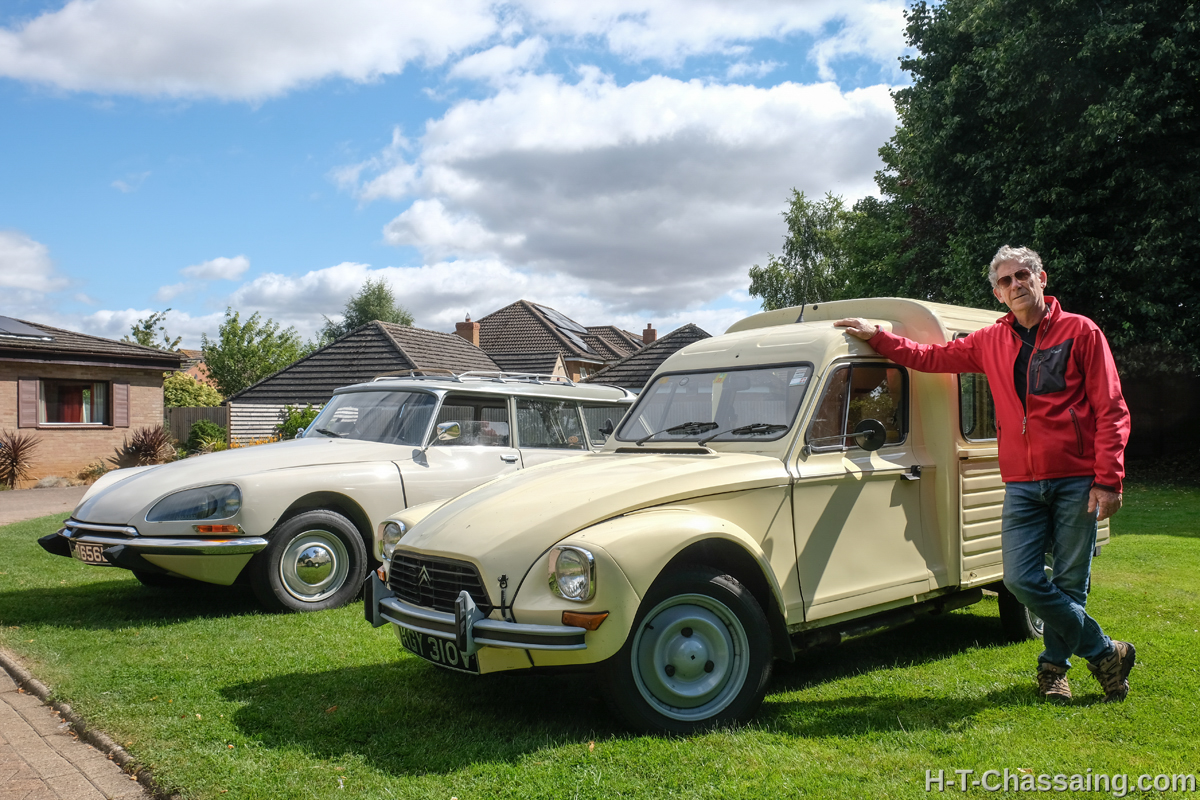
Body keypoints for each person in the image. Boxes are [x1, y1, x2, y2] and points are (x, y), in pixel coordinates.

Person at [835, 245, 1134, 702]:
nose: (1015, 285)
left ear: (1041, 279)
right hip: (1022, 482)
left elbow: (1111, 408)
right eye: (1005, 281)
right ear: (998, 293)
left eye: (1023, 275)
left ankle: (1053, 670)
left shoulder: (1081, 332)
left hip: (1077, 478)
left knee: (1070, 582)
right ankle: (1106, 652)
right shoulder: (991, 341)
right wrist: (879, 337)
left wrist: (1108, 479)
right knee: (1020, 579)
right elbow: (931, 357)